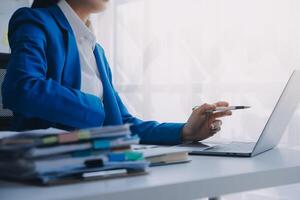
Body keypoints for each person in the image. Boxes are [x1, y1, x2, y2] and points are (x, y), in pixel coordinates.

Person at [1, 0, 232, 145]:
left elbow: (122, 125)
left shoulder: (96, 50)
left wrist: (185, 131)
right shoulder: (35, 21)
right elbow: (20, 88)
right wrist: (95, 108)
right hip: (47, 168)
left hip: (98, 167)